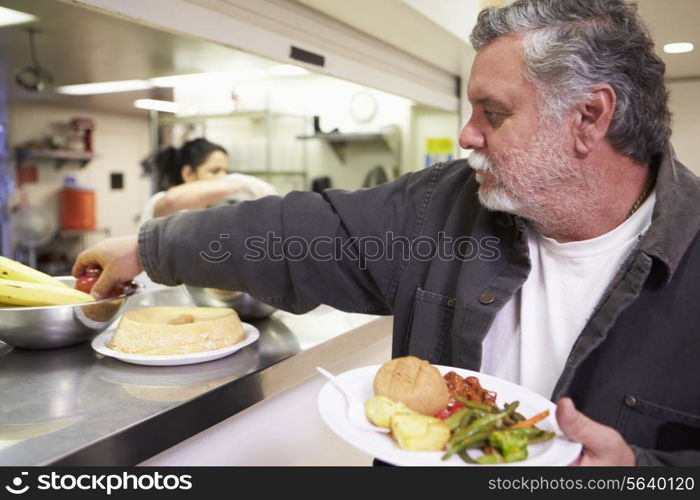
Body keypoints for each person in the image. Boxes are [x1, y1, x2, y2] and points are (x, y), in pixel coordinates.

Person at [73, 0, 700, 466]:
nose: (466, 135)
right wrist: (144, 248)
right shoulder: (444, 206)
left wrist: (639, 472)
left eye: (494, 113)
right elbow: (292, 231)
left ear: (589, 117)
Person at [140, 138, 276, 224]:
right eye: (215, 171)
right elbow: (173, 199)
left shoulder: (213, 210)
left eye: (226, 171)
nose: (223, 177)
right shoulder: (159, 202)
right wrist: (242, 184)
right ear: (188, 173)